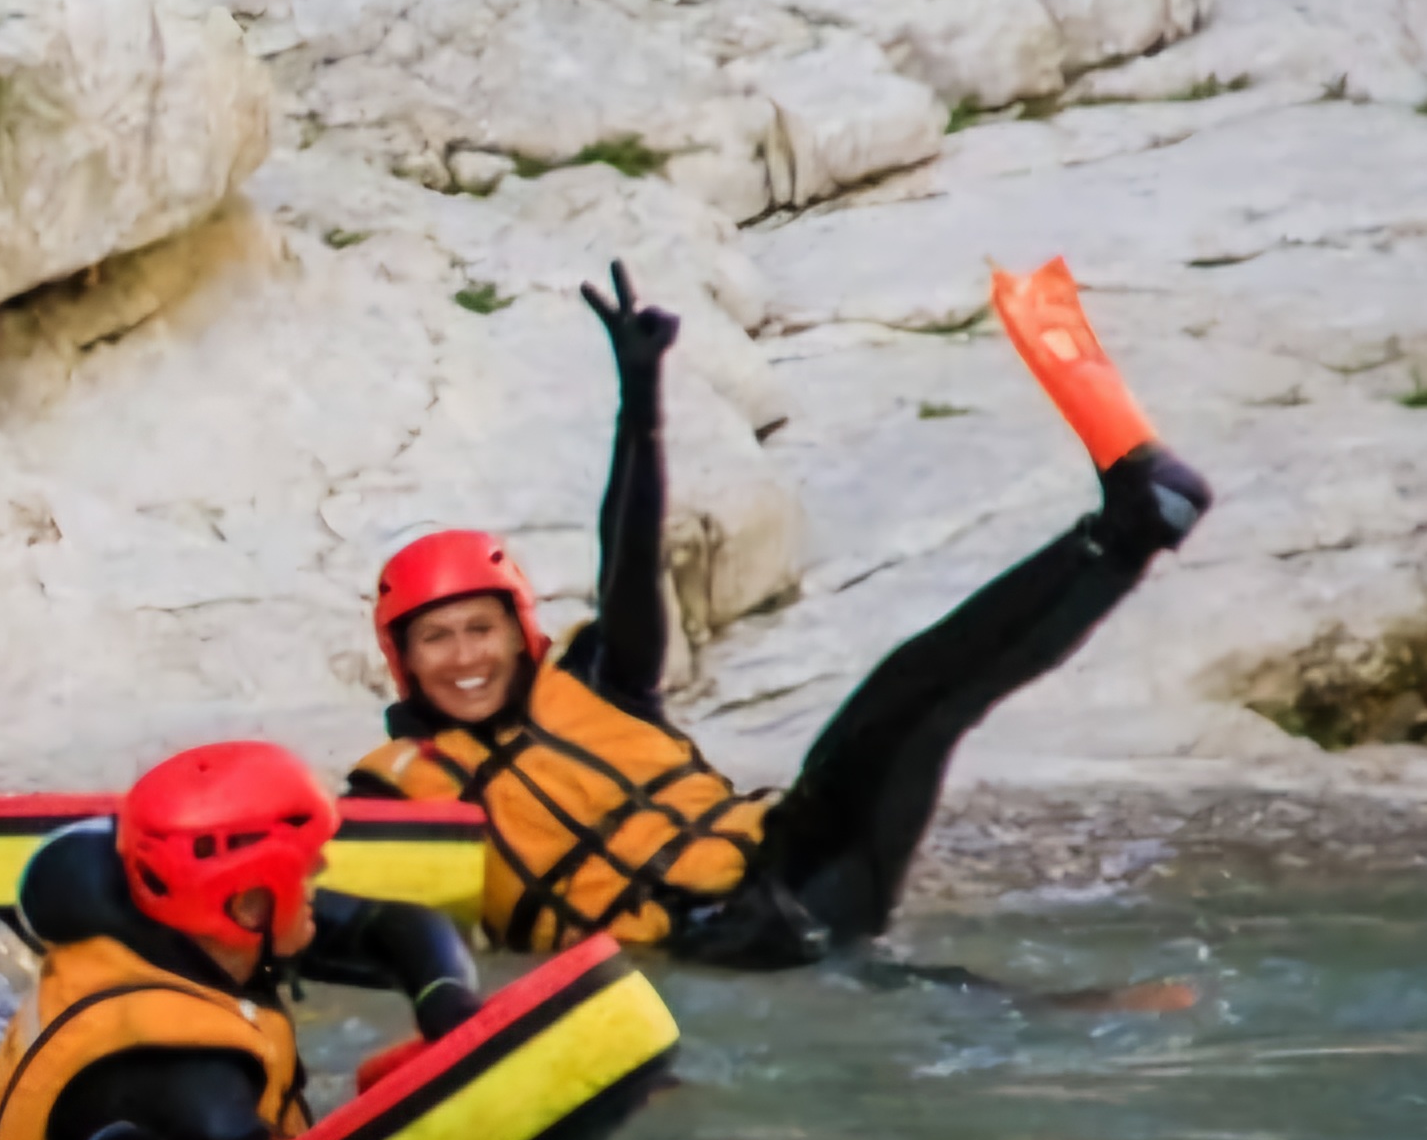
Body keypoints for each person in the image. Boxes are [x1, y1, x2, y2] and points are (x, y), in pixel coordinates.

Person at [352, 258, 1213, 967]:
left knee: (909, 698)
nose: (464, 656)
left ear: (519, 630)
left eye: (480, 628)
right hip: (702, 949)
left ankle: (1126, 529)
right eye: (435, 638)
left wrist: (639, 401)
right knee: (880, 972)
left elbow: (631, 559)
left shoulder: (601, 682)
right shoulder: (394, 794)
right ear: (402, 659)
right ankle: (1013, 1012)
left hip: (804, 860)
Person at [0, 742, 486, 1140]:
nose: (319, 876)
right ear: (246, 900)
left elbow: (395, 926)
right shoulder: (184, 1077)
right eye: (302, 868)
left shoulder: (180, 932)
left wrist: (447, 1001)